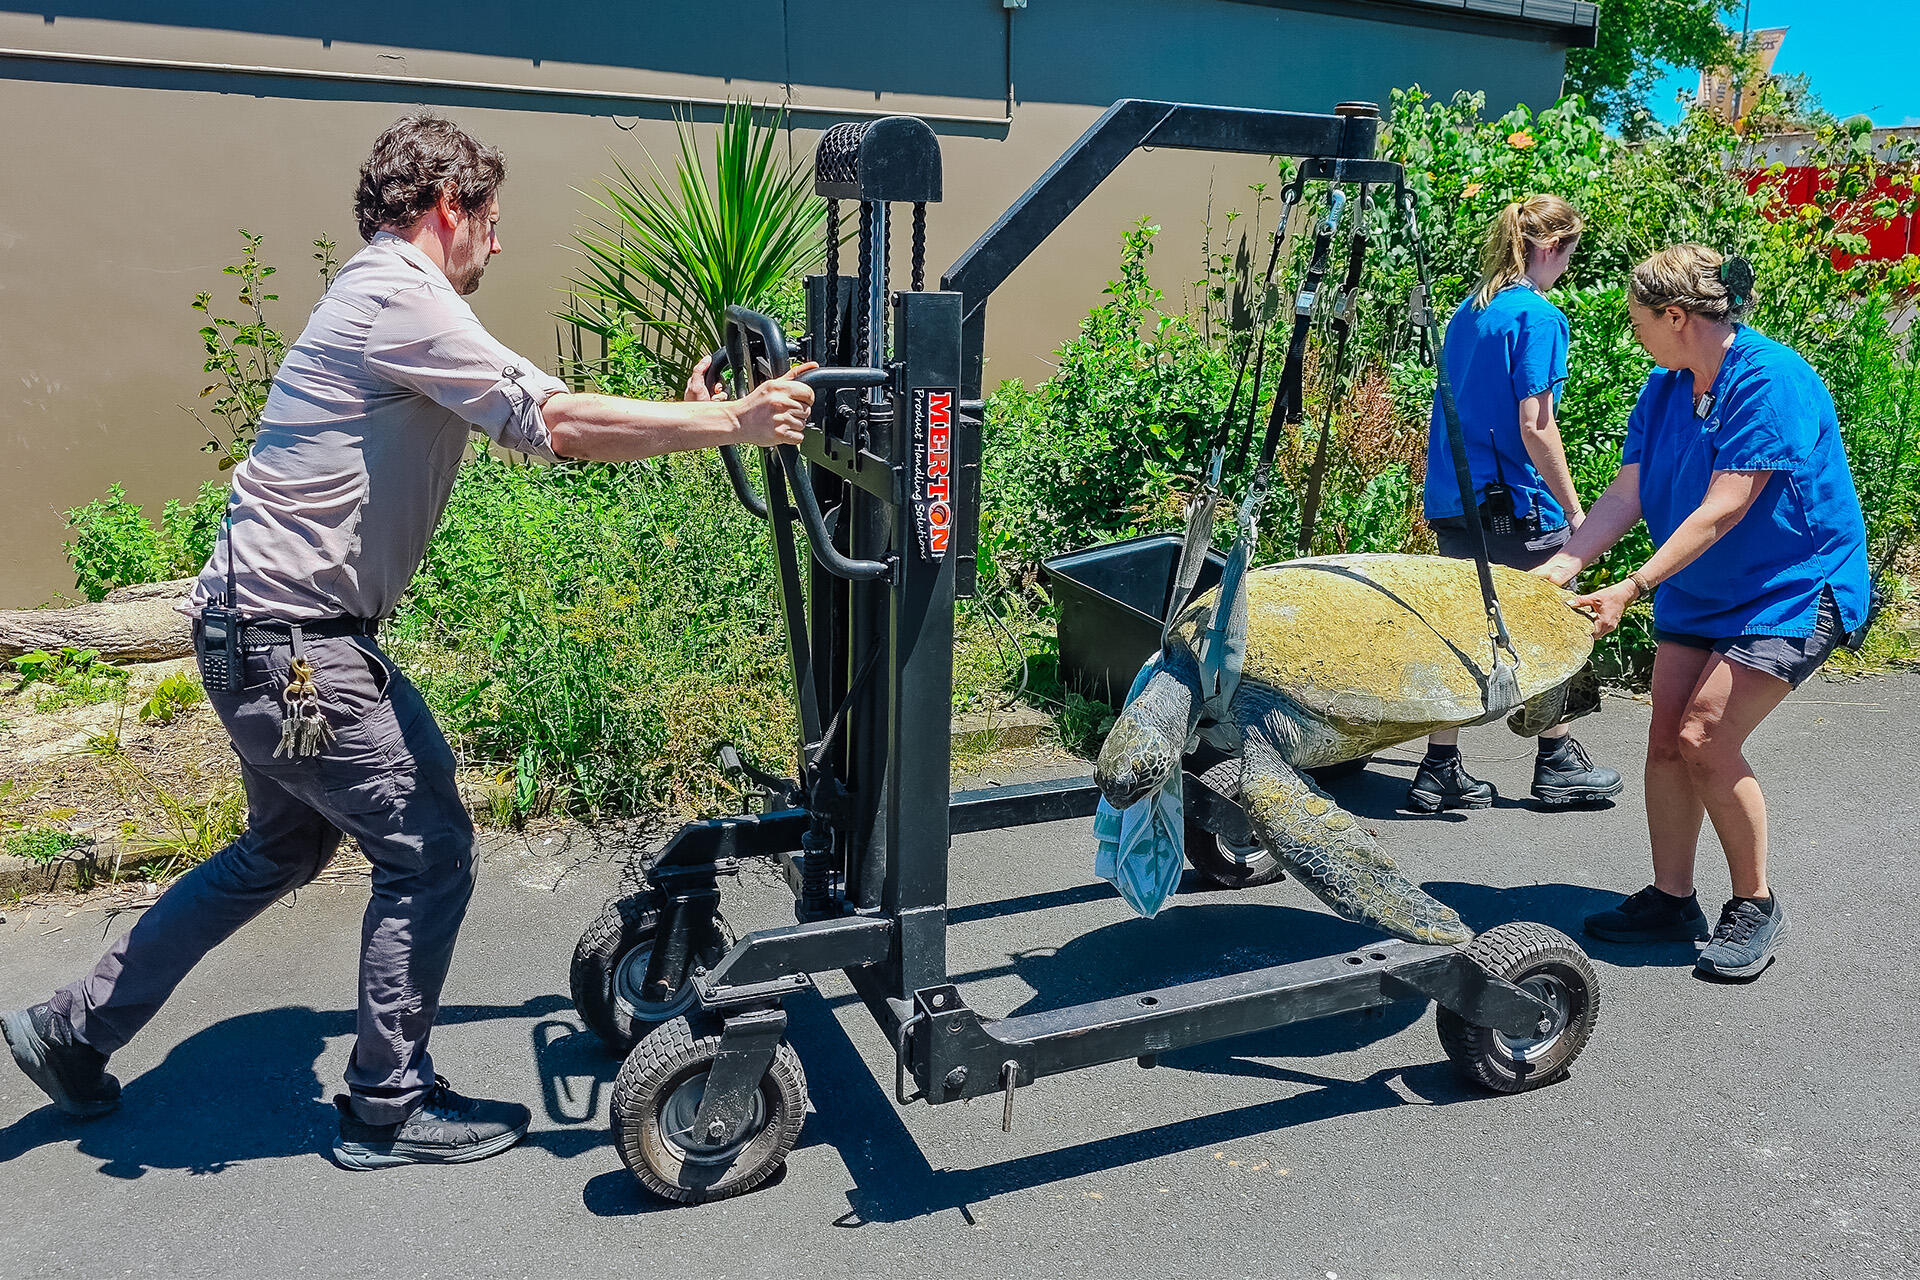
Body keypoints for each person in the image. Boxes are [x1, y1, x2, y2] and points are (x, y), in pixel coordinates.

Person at [0, 111, 816, 1166]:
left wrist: (692, 415)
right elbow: (557, 424)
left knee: (282, 846)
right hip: (295, 652)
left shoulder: (382, 294)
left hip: (261, 638)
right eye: (493, 219)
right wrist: (735, 423)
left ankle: (72, 1029)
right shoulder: (403, 299)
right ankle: (385, 1106)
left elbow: (548, 411)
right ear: (448, 206)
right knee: (428, 847)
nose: (499, 243)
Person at [1536, 245, 1871, 981]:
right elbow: (1627, 494)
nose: (1635, 335)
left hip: (1790, 588)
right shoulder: (1665, 390)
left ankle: (1755, 903)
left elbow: (1725, 507)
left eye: (1639, 321)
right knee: (1665, 743)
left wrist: (1631, 586)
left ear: (1676, 316)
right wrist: (1561, 568)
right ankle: (1672, 899)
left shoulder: (1770, 379)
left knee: (1705, 738)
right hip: (1703, 588)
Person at [1408, 195, 1623, 814]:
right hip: (1514, 501)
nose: (1569, 265)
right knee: (1554, 619)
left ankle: (1439, 768)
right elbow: (1536, 424)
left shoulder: (1468, 312)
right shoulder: (1538, 318)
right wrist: (1577, 511)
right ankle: (1556, 760)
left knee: (1462, 624)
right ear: (1551, 248)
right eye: (1570, 253)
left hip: (1454, 494)